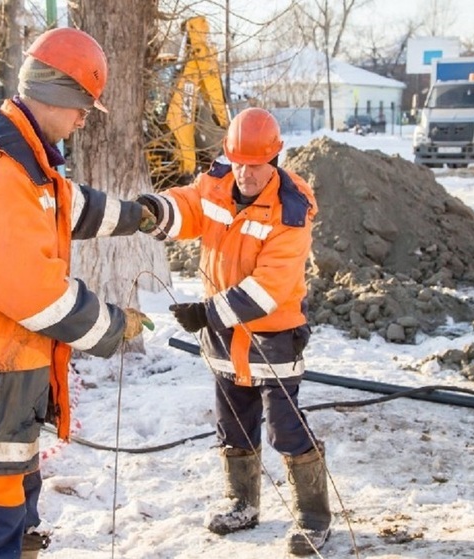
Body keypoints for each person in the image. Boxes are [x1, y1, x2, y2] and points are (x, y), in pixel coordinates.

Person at [0, 27, 154, 559]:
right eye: (83, 105)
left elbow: (66, 205)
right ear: (59, 96)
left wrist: (138, 216)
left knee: (15, 498)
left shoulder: (25, 159)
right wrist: (113, 325)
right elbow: (35, 295)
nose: (85, 117)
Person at [137, 107, 331, 556]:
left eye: (254, 164)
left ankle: (314, 515)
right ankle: (242, 501)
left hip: (273, 336)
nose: (244, 173)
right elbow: (188, 205)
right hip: (225, 337)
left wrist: (207, 313)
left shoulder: (292, 209)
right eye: (238, 162)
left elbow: (270, 288)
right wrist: (155, 210)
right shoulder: (219, 184)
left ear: (274, 159)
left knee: (284, 427)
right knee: (232, 423)